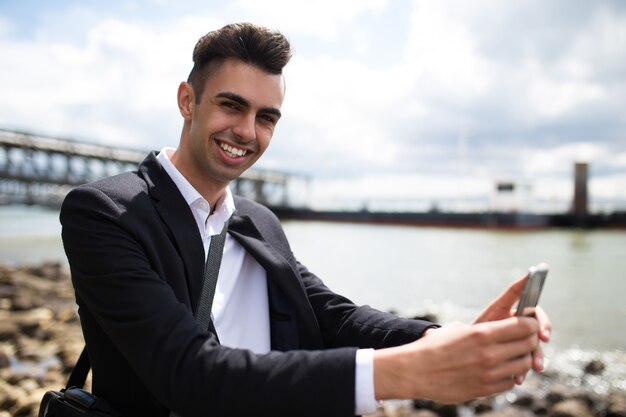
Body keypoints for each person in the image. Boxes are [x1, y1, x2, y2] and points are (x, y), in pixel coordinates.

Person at [60, 22, 552, 417]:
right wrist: (405, 373)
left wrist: (445, 338)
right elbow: (189, 376)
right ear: (187, 100)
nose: (247, 131)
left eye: (267, 117)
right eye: (231, 105)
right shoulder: (106, 212)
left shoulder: (257, 221)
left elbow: (332, 317)